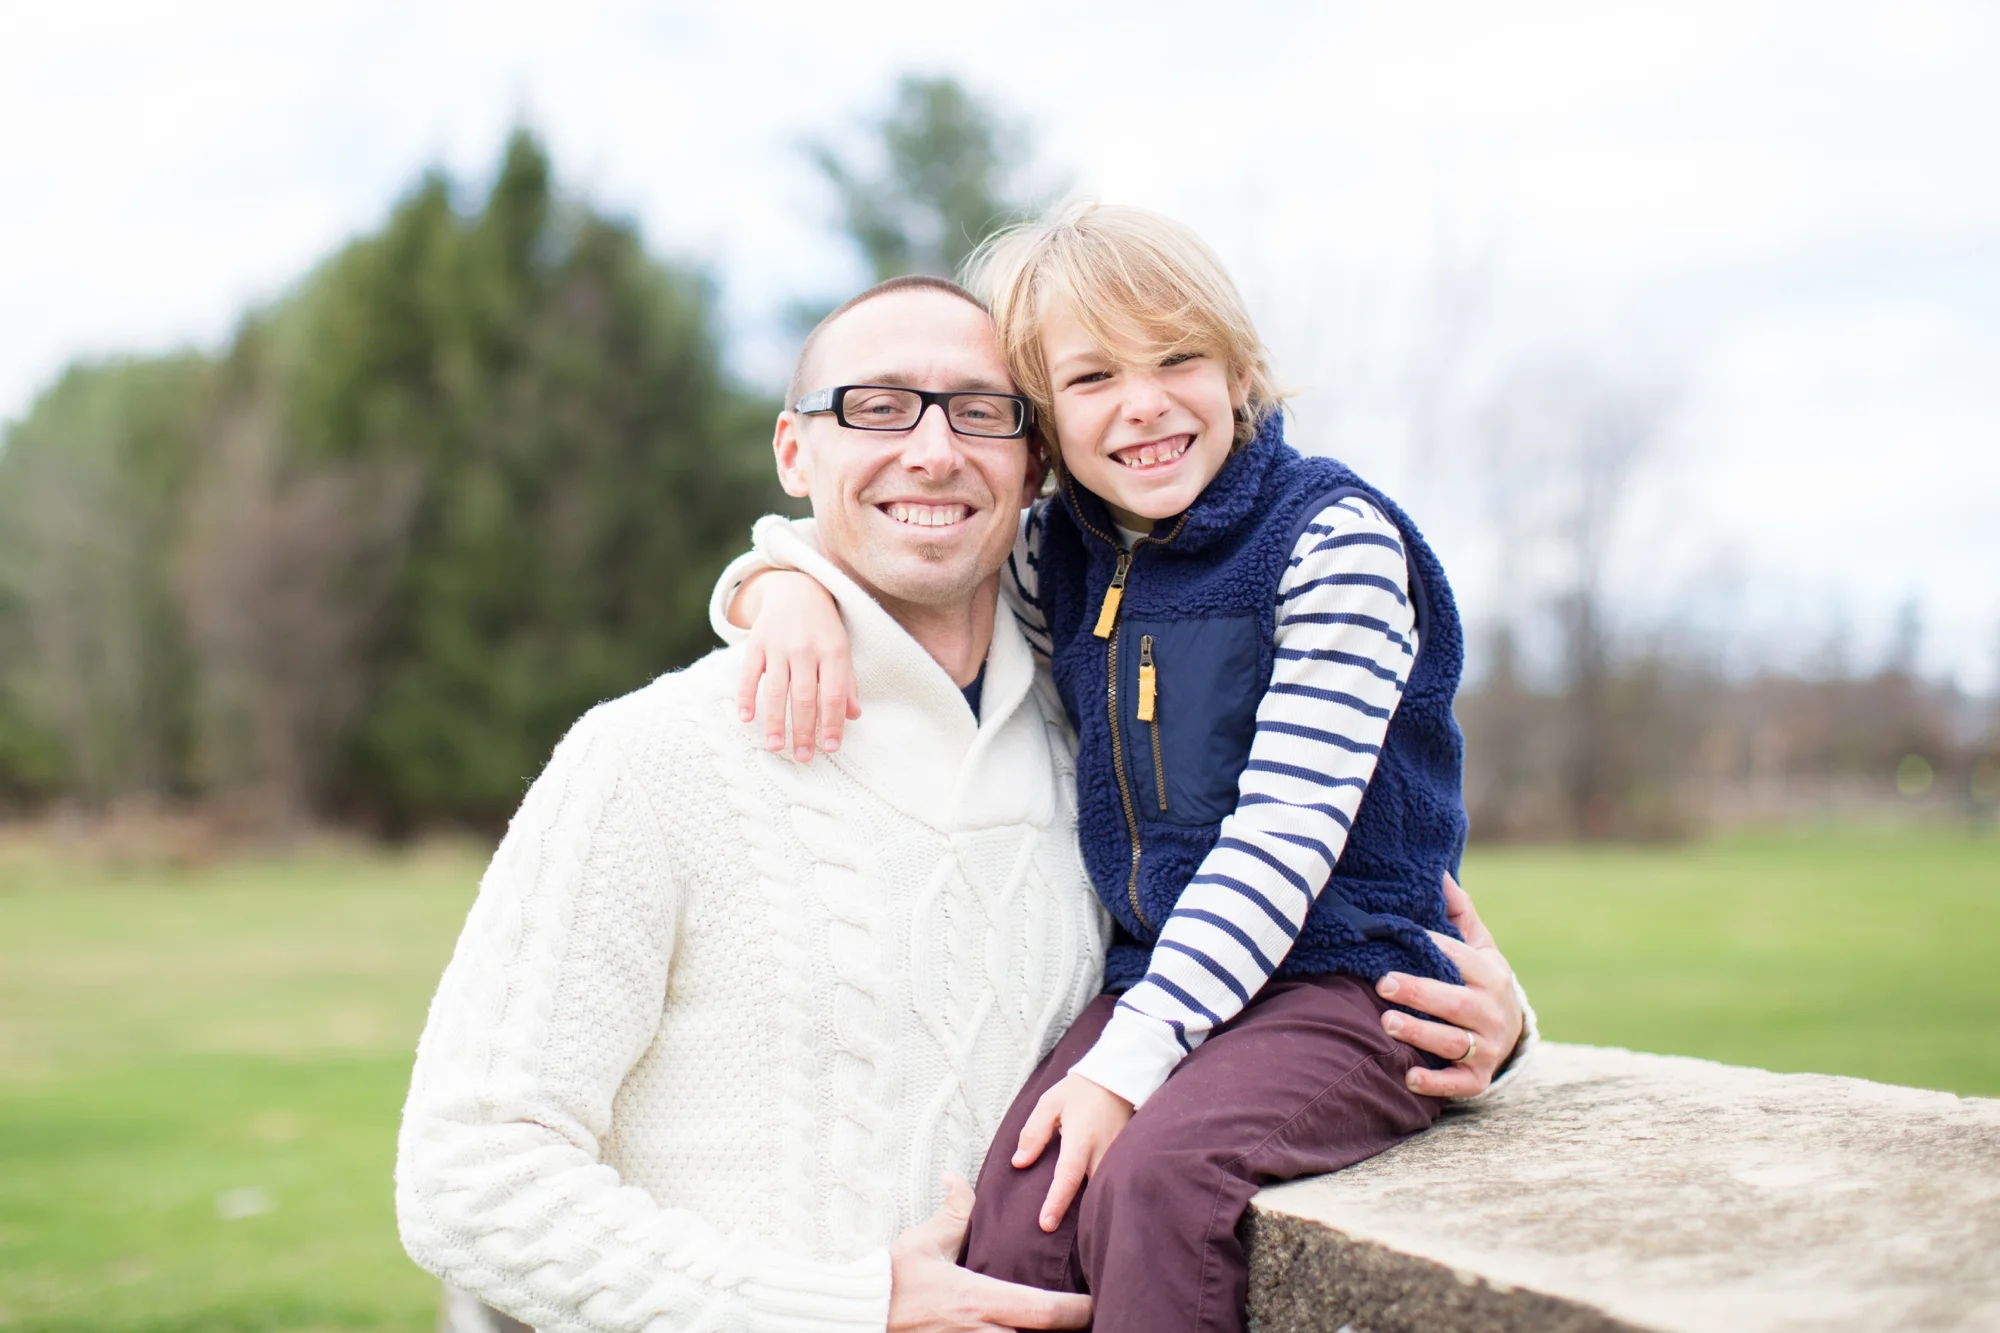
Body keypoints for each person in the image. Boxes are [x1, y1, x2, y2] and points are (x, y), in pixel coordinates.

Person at [722, 204, 1534, 1333]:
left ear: (1239, 372)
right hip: (1161, 974)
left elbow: (1284, 836)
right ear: (1046, 427)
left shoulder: (1331, 543)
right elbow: (884, 559)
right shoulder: (1059, 554)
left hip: (1346, 982)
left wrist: (1125, 1064)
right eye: (1093, 376)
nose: (1142, 402)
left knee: (1159, 1179)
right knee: (1022, 1208)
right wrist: (776, 587)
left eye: (1176, 358)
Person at [397, 275, 1111, 1333]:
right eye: (876, 406)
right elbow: (469, 1178)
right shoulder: (650, 758)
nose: (932, 450)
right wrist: (840, 1309)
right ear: (793, 452)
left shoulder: (1095, 755)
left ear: (1033, 460)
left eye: (979, 411)